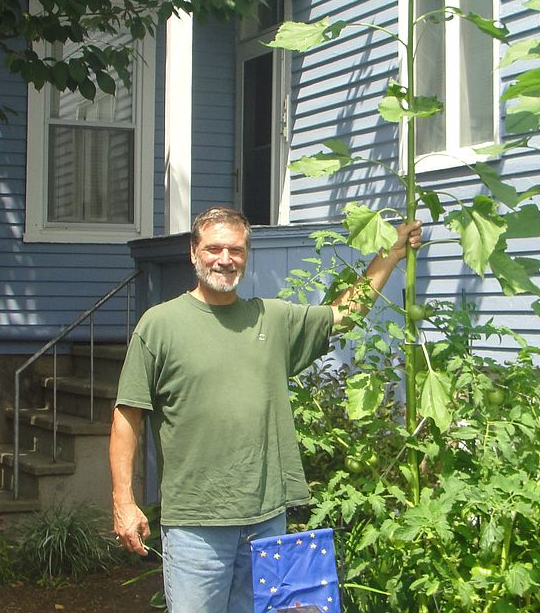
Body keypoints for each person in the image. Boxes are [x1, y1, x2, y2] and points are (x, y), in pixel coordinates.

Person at [109, 205, 421, 613]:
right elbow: (126, 416)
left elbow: (345, 313)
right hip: (195, 525)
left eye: (236, 250)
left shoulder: (271, 319)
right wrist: (123, 502)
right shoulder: (160, 325)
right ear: (193, 252)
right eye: (214, 249)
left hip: (265, 522)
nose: (225, 259)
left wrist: (392, 253)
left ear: (246, 255)